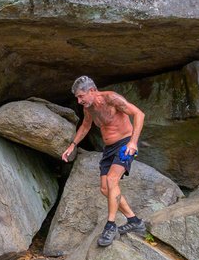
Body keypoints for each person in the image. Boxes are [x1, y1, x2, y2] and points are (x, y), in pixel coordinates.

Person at [62, 75, 146, 247]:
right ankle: (134, 221)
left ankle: (110, 225)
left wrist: (133, 142)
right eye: (77, 97)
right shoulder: (89, 108)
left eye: (81, 96)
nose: (79, 101)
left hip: (125, 144)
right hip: (109, 150)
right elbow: (86, 126)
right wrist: (73, 145)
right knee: (104, 188)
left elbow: (139, 114)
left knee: (111, 180)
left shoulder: (111, 98)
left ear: (92, 91)